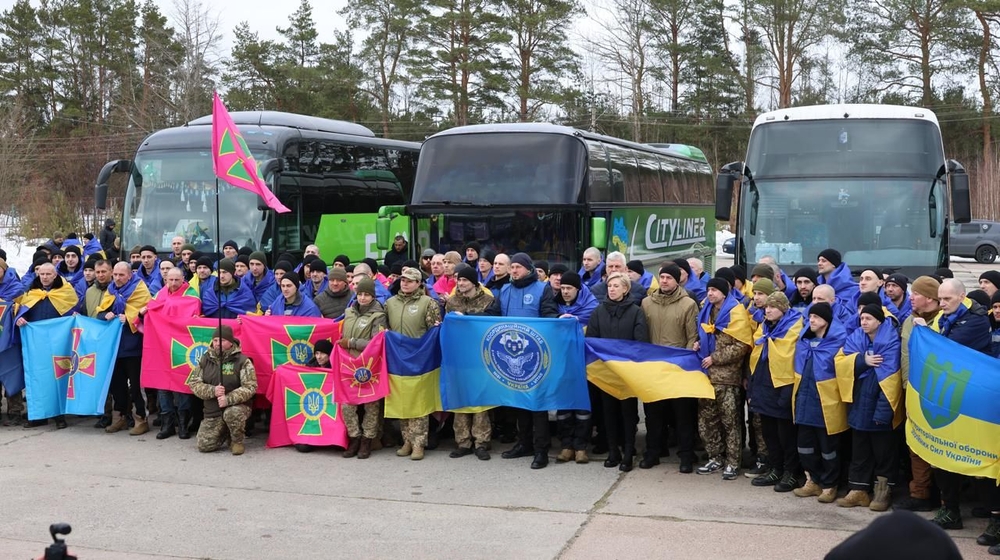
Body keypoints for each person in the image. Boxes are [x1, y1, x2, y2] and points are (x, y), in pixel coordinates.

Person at [918, 278, 991, 530]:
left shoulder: (977, 320)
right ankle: (950, 510)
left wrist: (926, 334)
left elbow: (946, 350)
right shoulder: (943, 317)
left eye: (947, 299)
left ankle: (993, 517)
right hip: (947, 396)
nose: (942, 304)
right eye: (940, 298)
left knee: (977, 459)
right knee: (942, 455)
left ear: (962, 297)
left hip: (972, 400)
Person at [485, 252, 559, 469]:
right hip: (511, 356)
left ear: (528, 268)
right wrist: (466, 317)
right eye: (512, 267)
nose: (514, 270)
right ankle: (524, 443)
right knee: (520, 403)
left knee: (537, 404)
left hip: (534, 356)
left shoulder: (542, 288)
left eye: (518, 267)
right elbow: (492, 315)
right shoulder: (505, 290)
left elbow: (549, 313)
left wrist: (559, 319)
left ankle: (541, 449)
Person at [837, 304, 902, 511]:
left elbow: (891, 380)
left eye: (869, 319)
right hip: (858, 403)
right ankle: (858, 490)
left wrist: (883, 413)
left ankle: (883, 491)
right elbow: (842, 363)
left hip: (880, 406)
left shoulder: (891, 341)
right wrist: (862, 360)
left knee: (884, 452)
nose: (864, 322)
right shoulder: (856, 337)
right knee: (860, 450)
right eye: (862, 318)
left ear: (879, 321)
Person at [587, 272, 649, 472]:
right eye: (609, 286)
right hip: (606, 372)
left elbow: (640, 342)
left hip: (627, 372)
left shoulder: (636, 312)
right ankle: (613, 451)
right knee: (609, 413)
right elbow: (592, 340)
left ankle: (628, 452)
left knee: (628, 414)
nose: (612, 289)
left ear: (625, 289)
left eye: (616, 286)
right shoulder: (598, 311)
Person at [640, 264, 699, 472]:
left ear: (677, 280)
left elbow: (692, 336)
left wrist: (684, 363)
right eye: (662, 277)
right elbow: (642, 334)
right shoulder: (646, 303)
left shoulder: (688, 304)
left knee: (682, 416)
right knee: (653, 415)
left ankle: (686, 455)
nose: (664, 281)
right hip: (654, 367)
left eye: (669, 278)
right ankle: (653, 452)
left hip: (678, 368)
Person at [695, 277, 753, 480]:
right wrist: (698, 343)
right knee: (707, 421)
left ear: (724, 292)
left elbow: (742, 345)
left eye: (714, 290)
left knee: (730, 422)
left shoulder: (735, 312)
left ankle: (733, 462)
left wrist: (715, 358)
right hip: (706, 377)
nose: (710, 293)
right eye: (708, 289)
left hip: (727, 378)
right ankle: (715, 457)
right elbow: (703, 334)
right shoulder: (706, 310)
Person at [791, 302, 848, 504]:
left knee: (828, 449)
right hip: (805, 401)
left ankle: (830, 484)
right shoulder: (804, 342)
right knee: (804, 446)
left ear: (827, 320)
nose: (811, 320)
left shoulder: (838, 343)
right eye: (810, 317)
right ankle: (812, 480)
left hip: (826, 403)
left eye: (816, 317)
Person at [895, 276, 942, 512]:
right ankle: (920, 493)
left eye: (916, 293)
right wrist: (906, 386)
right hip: (912, 390)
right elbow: (905, 356)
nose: (911, 297)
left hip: (937, 394)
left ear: (931, 298)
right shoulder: (909, 320)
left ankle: (944, 498)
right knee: (915, 443)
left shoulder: (943, 321)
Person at [748, 292, 803, 492]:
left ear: (783, 308)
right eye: (766, 307)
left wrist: (787, 392)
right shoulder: (764, 328)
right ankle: (776, 468)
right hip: (764, 385)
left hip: (783, 386)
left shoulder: (794, 328)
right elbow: (757, 357)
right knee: (769, 433)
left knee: (786, 435)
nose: (768, 310)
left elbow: (793, 360)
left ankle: (791, 472)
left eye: (773, 307)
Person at [15, 263, 79, 428]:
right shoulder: (31, 292)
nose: (44, 277)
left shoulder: (66, 291)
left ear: (55, 275)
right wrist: (20, 319)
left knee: (58, 378)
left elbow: (74, 312)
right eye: (42, 274)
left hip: (59, 343)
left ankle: (59, 416)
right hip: (36, 344)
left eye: (48, 274)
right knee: (37, 378)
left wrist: (75, 315)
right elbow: (23, 312)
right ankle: (38, 415)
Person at [386, 267, 441, 460]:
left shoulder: (428, 303)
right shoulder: (390, 303)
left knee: (418, 402)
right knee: (402, 400)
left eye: (410, 281)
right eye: (403, 280)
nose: (405, 283)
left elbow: (434, 331)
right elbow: (384, 327)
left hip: (420, 359)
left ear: (418, 283)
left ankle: (419, 443)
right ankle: (407, 440)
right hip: (397, 359)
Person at [444, 266, 494, 460]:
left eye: (465, 280)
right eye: (459, 280)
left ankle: (481, 442)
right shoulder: (452, 301)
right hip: (458, 356)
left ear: (474, 282)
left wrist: (468, 319)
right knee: (461, 398)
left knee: (480, 400)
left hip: (480, 356)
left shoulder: (488, 301)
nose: (461, 283)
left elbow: (492, 322)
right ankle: (463, 442)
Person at [99, 262, 152, 435]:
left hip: (134, 346)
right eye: (115, 274)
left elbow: (148, 313)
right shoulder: (110, 290)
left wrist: (129, 317)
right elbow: (100, 311)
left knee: (136, 386)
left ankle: (141, 419)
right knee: (117, 385)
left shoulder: (140, 289)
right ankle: (120, 417)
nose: (117, 278)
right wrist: (104, 315)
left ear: (130, 275)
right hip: (114, 347)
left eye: (121, 275)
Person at [187, 325, 257, 455]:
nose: (218, 343)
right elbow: (194, 383)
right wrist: (212, 391)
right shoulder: (205, 359)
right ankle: (225, 430)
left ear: (230, 342)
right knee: (204, 445)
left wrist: (228, 399)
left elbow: (250, 386)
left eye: (222, 340)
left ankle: (236, 441)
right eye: (215, 340)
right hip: (213, 409)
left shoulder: (242, 361)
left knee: (232, 413)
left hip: (236, 407)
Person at [338, 278, 388, 459]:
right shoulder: (349, 312)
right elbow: (340, 334)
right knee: (347, 404)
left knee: (371, 404)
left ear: (373, 296)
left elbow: (377, 342)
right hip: (349, 365)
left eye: (367, 294)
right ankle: (354, 437)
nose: (363, 298)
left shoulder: (378, 316)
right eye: (360, 294)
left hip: (369, 366)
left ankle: (368, 439)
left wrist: (352, 342)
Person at [554, 271, 598, 465]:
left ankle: (581, 447)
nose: (565, 292)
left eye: (569, 288)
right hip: (561, 363)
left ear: (578, 289)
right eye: (562, 288)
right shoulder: (555, 306)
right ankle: (566, 446)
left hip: (583, 364)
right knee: (563, 406)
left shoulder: (592, 306)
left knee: (582, 407)